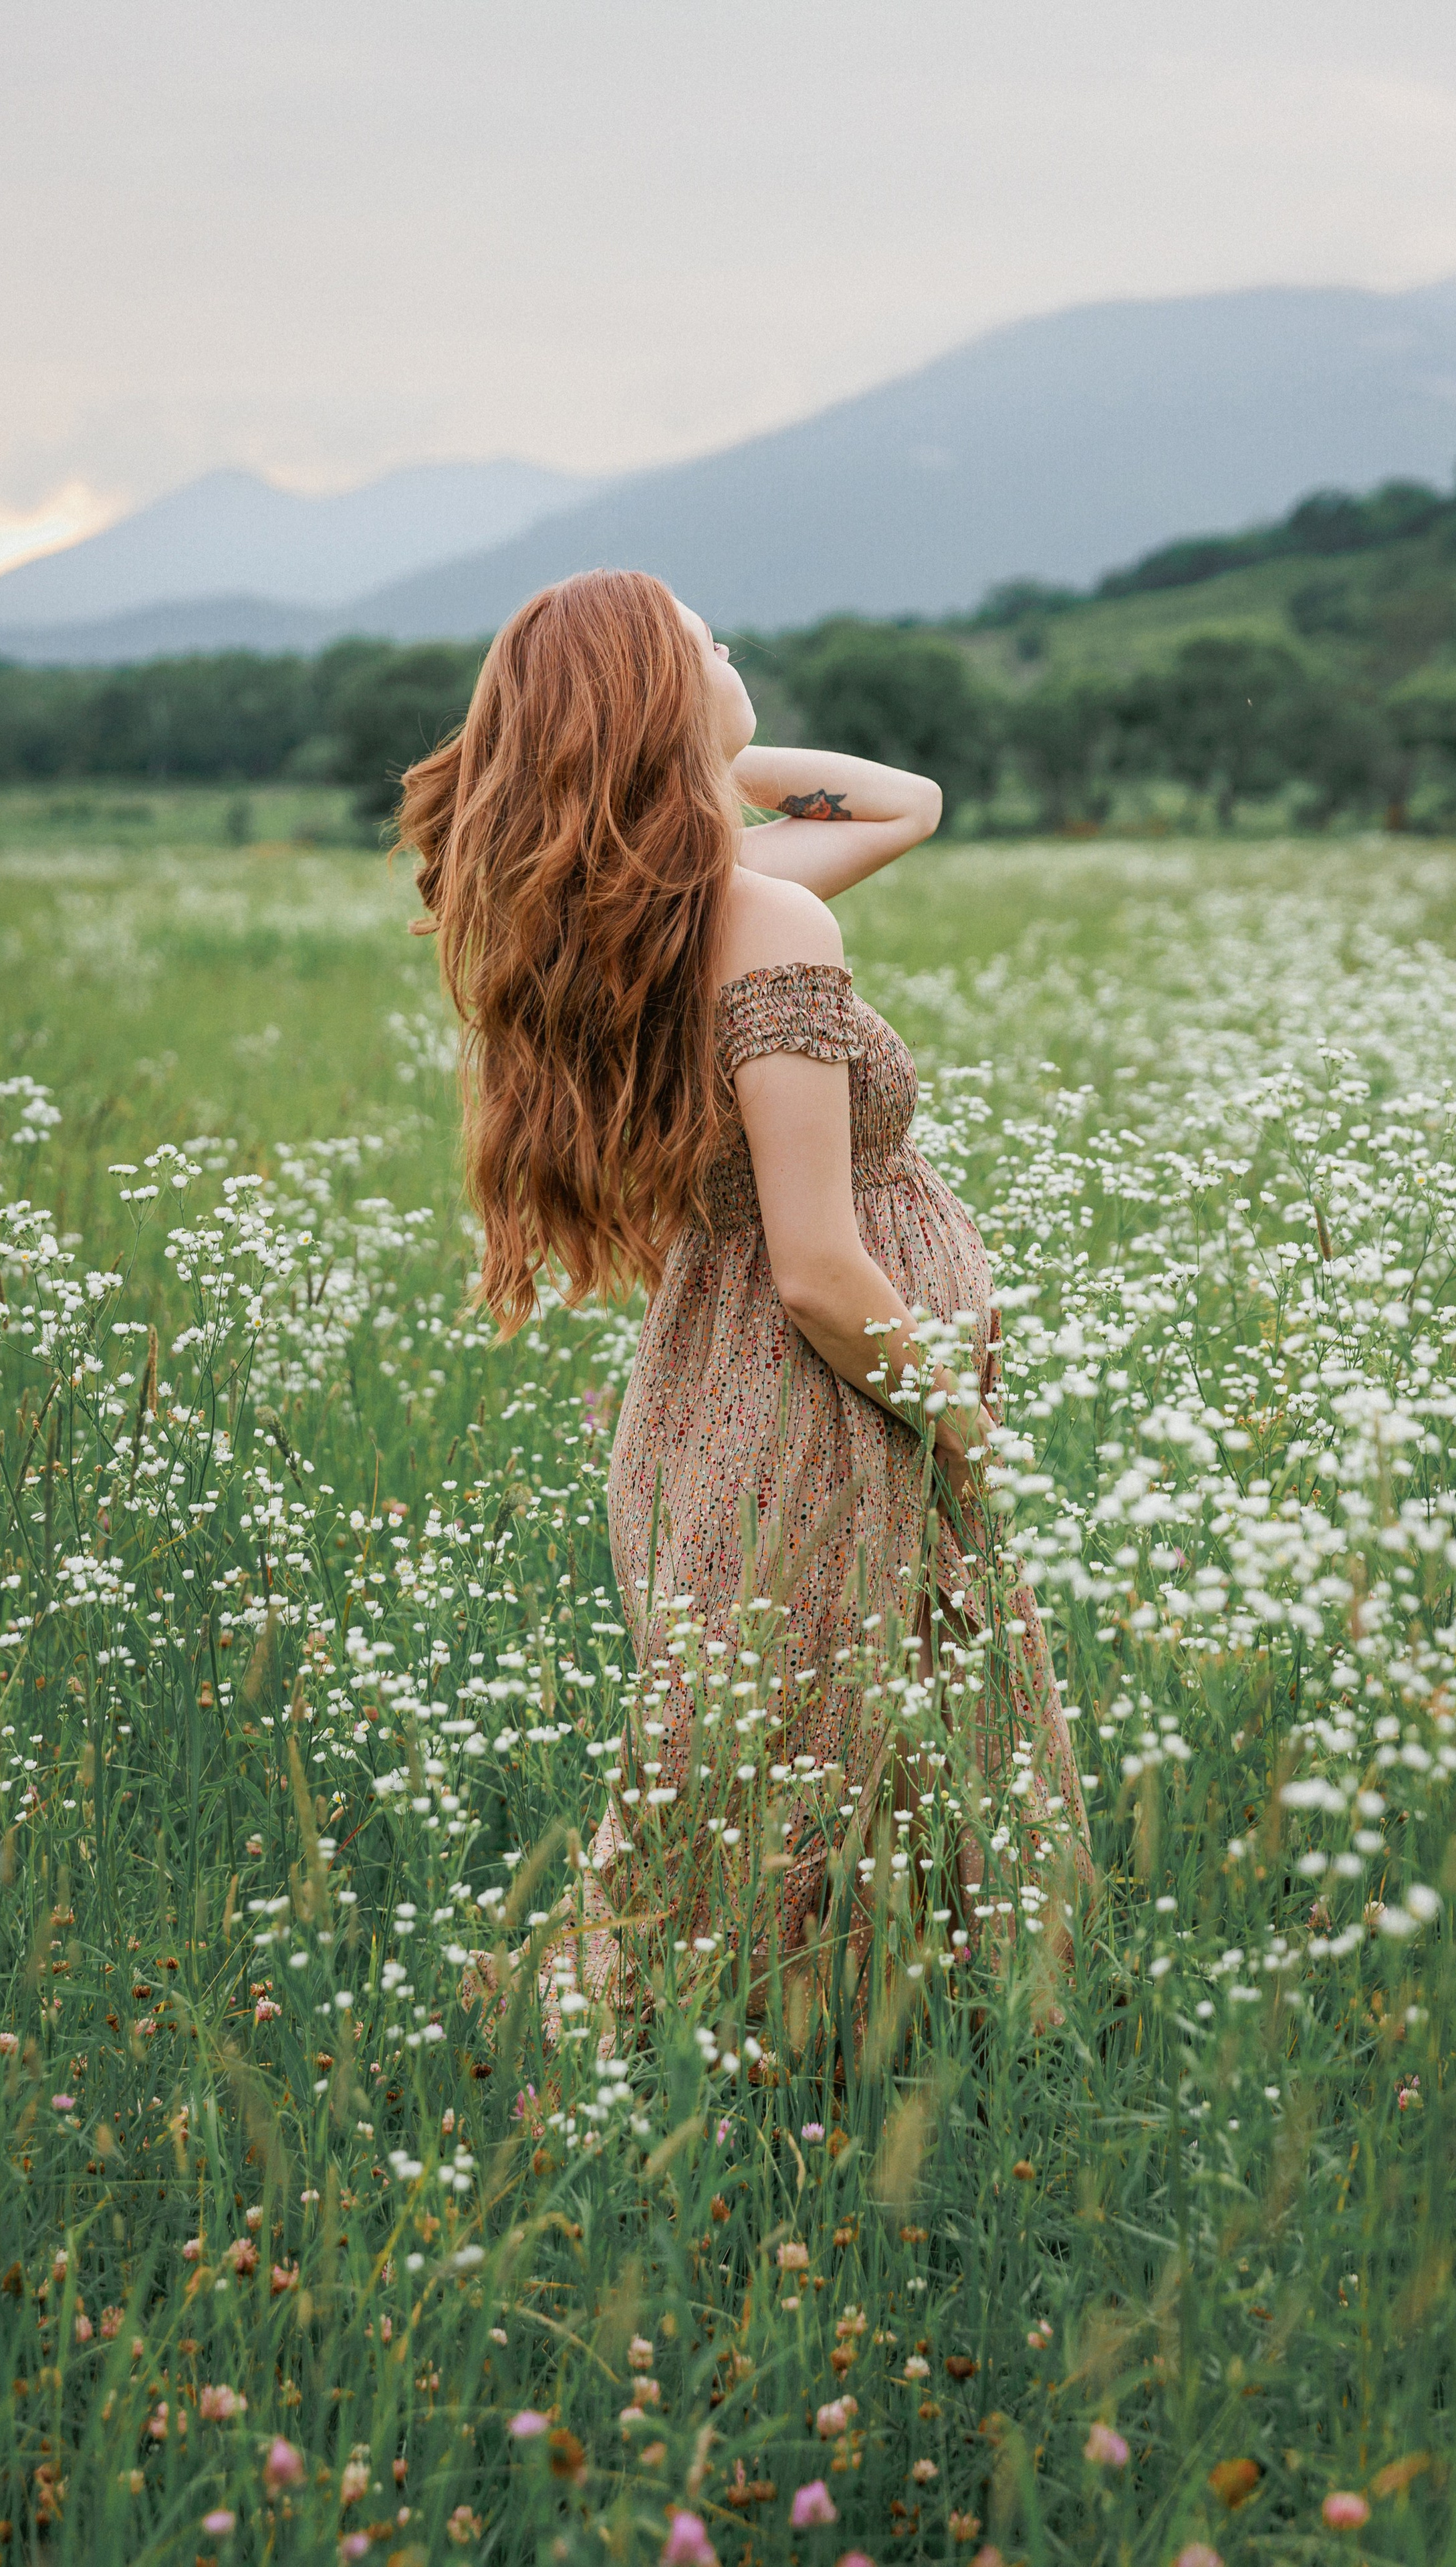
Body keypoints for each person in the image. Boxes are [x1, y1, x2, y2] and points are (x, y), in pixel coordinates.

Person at [398, 568, 1086, 2040]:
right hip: (815, 1399)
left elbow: (900, 802)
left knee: (766, 1763)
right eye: (706, 643)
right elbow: (822, 1268)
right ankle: (704, 2068)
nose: (734, 651)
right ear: (659, 695)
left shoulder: (653, 916)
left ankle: (813, 2049)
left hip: (716, 1393)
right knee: (790, 1771)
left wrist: (670, 761)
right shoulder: (763, 930)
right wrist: (969, 1432)